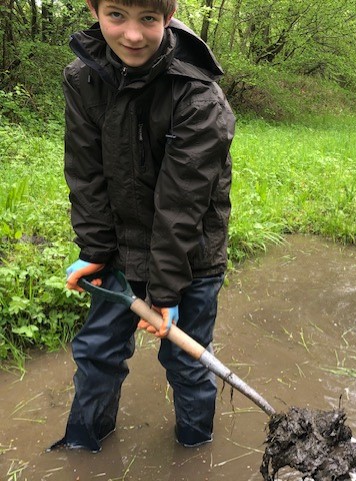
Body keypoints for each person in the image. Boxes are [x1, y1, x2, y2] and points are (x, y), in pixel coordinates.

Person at [50, 0, 235, 452]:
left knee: (186, 360)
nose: (132, 35)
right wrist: (94, 249)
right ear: (94, 10)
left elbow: (183, 201)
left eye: (148, 19)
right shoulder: (83, 77)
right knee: (97, 353)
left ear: (167, 18)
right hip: (119, 249)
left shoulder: (200, 94)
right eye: (116, 15)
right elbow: (85, 171)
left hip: (190, 255)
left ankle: (196, 448)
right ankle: (82, 445)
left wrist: (166, 290)